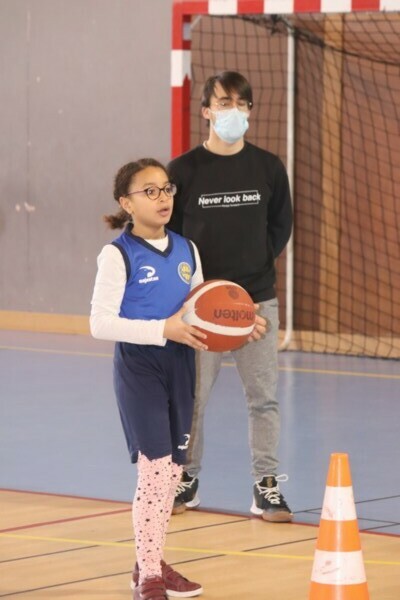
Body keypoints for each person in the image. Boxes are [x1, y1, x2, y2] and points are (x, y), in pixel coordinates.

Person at [168, 71, 294, 523]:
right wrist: (197, 292)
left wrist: (249, 282)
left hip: (256, 303)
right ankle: (186, 478)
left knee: (264, 398)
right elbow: (172, 235)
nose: (233, 111)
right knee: (193, 399)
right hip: (199, 306)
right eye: (224, 103)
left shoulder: (268, 167)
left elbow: (280, 226)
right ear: (206, 110)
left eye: (242, 104)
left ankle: (266, 485)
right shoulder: (182, 171)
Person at [90, 158, 207, 600]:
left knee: (173, 471)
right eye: (150, 191)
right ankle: (151, 577)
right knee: (155, 470)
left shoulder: (188, 249)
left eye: (167, 188)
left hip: (181, 365)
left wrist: (239, 323)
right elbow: (100, 324)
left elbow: (200, 309)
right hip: (140, 367)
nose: (163, 198)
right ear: (127, 203)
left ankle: (149, 560)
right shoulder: (117, 254)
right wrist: (162, 329)